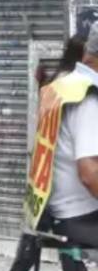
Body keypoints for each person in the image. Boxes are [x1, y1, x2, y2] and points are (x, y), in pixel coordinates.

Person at [10, 34, 88, 271]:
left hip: (47, 161)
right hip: (57, 163)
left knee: (49, 222)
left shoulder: (58, 81)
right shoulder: (73, 86)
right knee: (53, 222)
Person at [26, 25, 98, 249]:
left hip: (52, 211)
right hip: (79, 217)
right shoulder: (88, 99)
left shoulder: (63, 87)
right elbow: (90, 174)